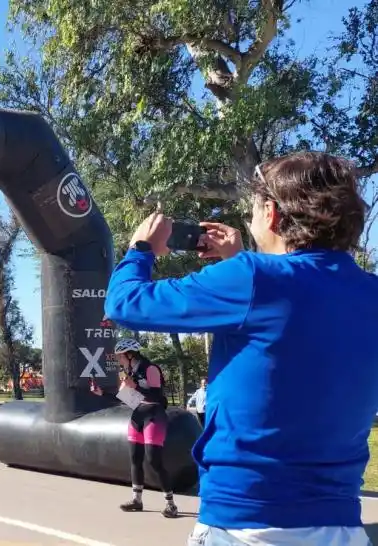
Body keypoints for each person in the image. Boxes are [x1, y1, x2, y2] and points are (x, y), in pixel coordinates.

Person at [103, 151, 378, 545]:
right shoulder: (370, 294)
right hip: (340, 525)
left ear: (271, 213)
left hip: (245, 522)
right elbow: (299, 304)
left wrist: (141, 249)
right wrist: (240, 260)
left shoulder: (252, 278)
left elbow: (124, 302)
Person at [91, 338, 178, 518]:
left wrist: (135, 385)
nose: (118, 360)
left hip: (153, 414)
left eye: (120, 357)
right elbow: (125, 397)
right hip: (138, 415)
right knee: (135, 459)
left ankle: (171, 504)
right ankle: (136, 500)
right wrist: (102, 393)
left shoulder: (150, 369)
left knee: (154, 460)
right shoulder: (131, 370)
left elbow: (156, 394)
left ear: (129, 355)